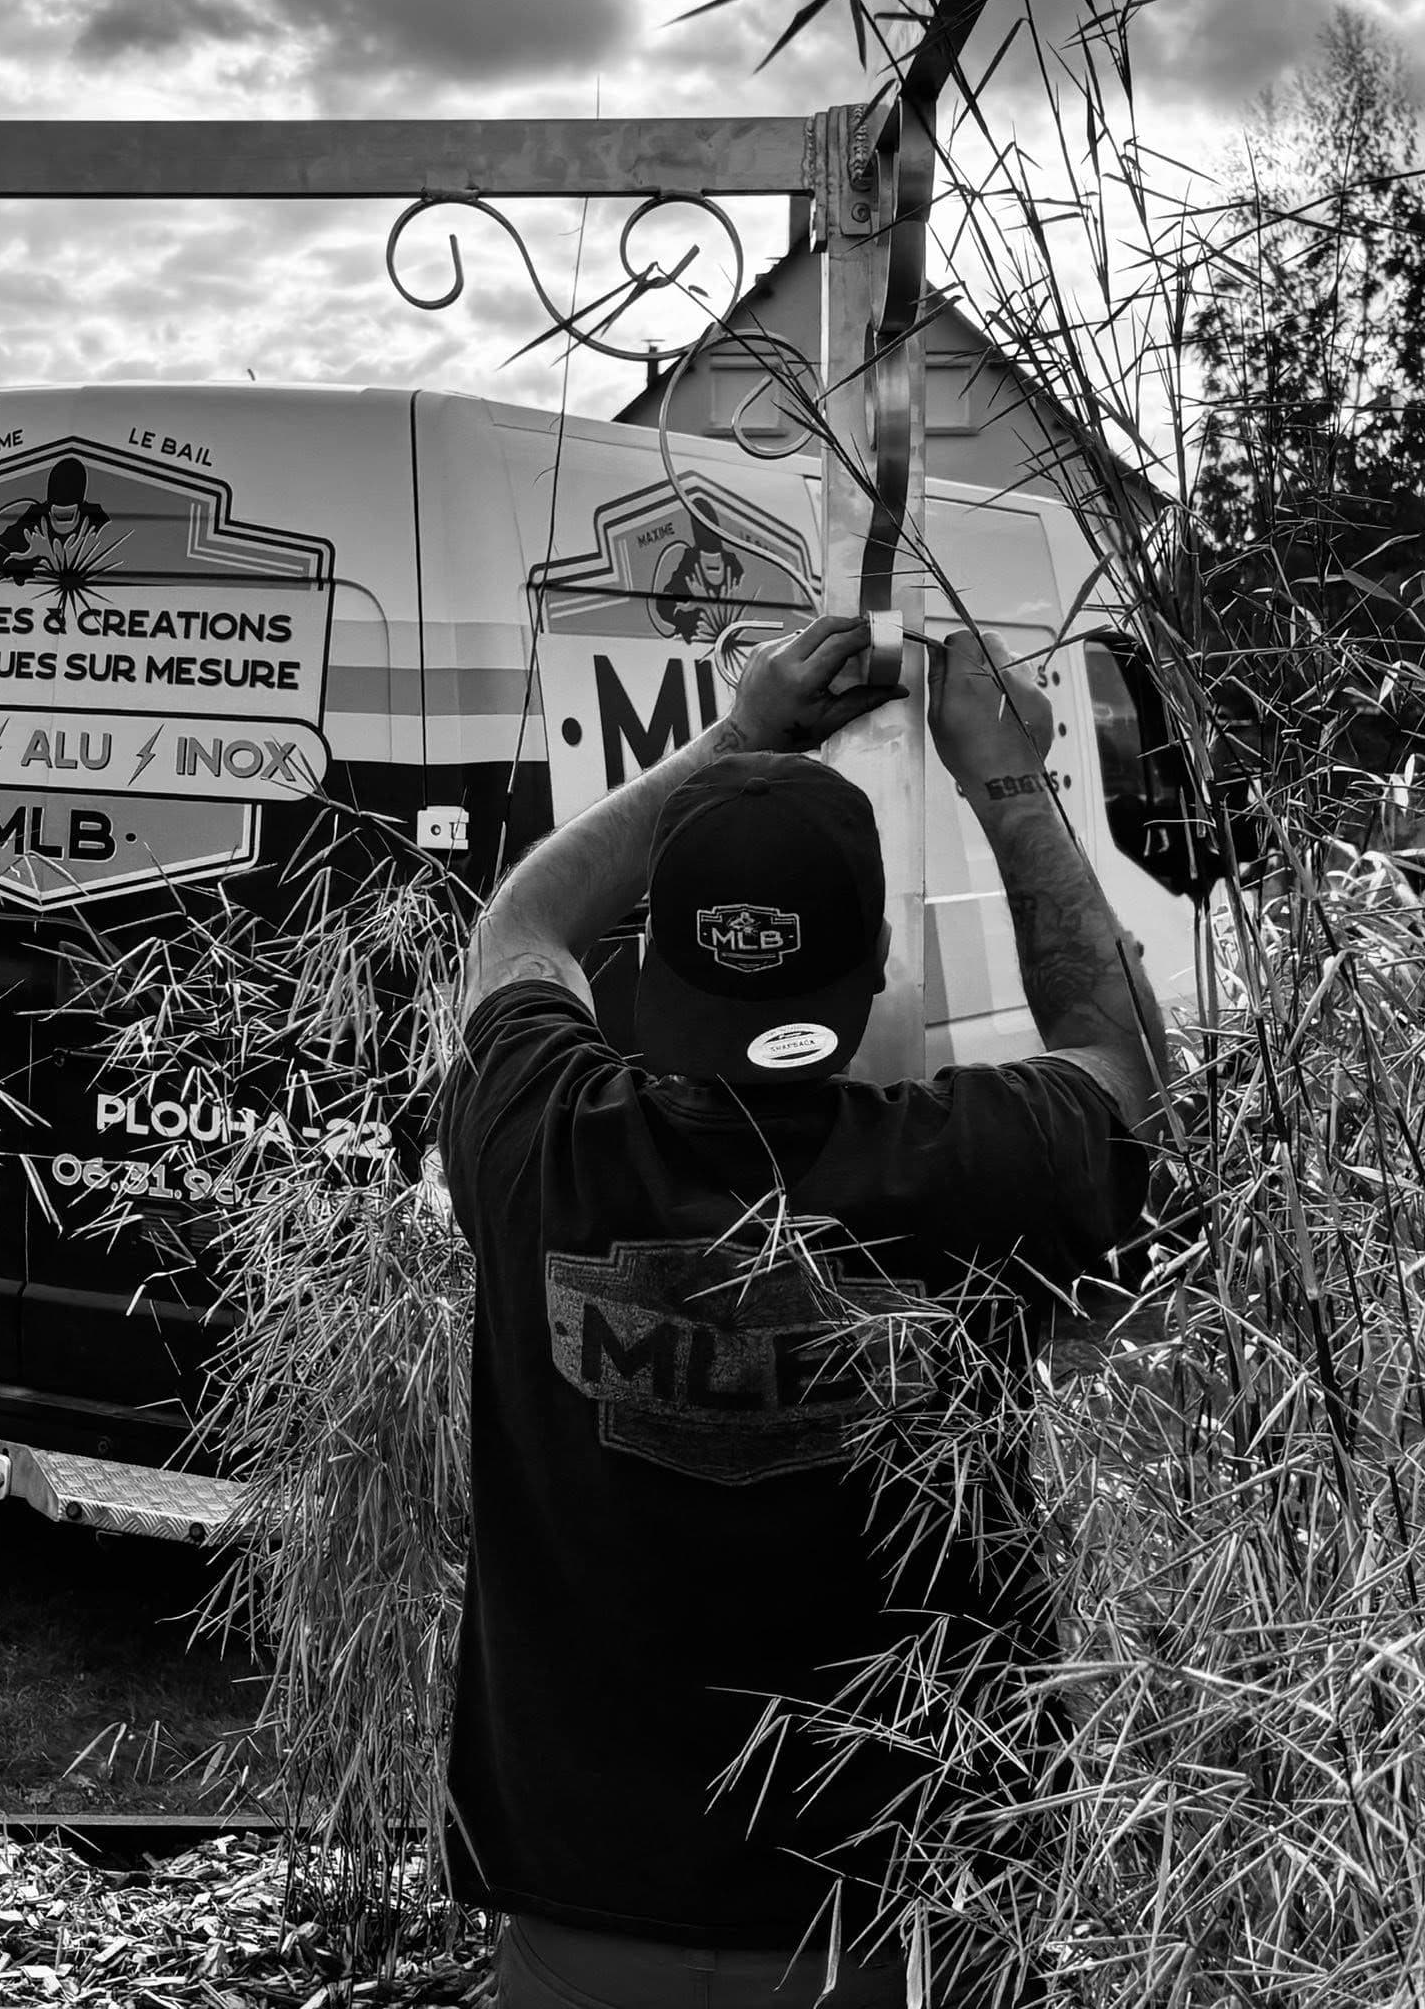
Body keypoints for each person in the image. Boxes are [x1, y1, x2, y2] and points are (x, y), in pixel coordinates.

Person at [437, 617, 1168, 2007]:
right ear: (875, 956)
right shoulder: (977, 1171)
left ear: (656, 961)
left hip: (586, 1932)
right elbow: (1120, 1048)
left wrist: (743, 733)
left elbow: (521, 927)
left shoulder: (543, 1143)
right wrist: (1005, 775)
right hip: (906, 1933)